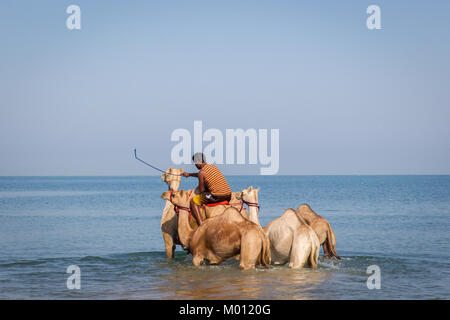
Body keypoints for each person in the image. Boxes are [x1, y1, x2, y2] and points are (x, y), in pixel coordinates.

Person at [182, 152, 232, 226]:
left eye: (195, 163)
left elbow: (202, 191)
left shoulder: (201, 173)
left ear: (198, 162)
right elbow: (202, 174)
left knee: (193, 202)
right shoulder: (213, 167)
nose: (195, 165)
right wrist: (189, 174)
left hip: (217, 197)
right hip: (228, 195)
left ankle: (201, 225)